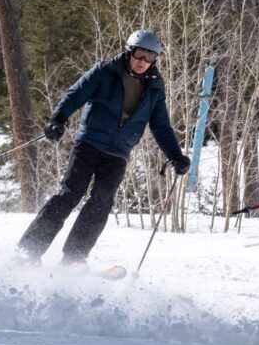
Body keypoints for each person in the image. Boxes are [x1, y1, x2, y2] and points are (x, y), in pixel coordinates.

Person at [16, 30, 191, 266]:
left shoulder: (155, 89)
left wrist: (175, 156)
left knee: (101, 202)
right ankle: (30, 249)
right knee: (69, 194)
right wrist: (58, 118)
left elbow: (161, 126)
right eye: (139, 55)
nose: (143, 62)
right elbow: (76, 94)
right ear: (129, 52)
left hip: (118, 154)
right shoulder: (105, 71)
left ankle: (74, 258)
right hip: (89, 144)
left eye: (149, 58)